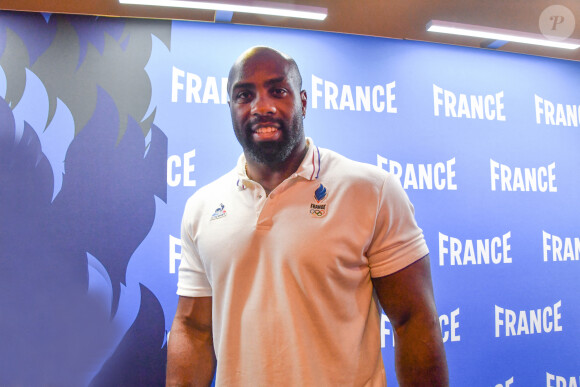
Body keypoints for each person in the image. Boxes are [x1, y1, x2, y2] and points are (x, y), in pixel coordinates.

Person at [166, 46, 449, 386]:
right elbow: (193, 329)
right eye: (244, 95)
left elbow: (414, 319)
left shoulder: (372, 190)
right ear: (230, 107)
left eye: (277, 91)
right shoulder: (202, 206)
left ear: (302, 101)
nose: (262, 107)